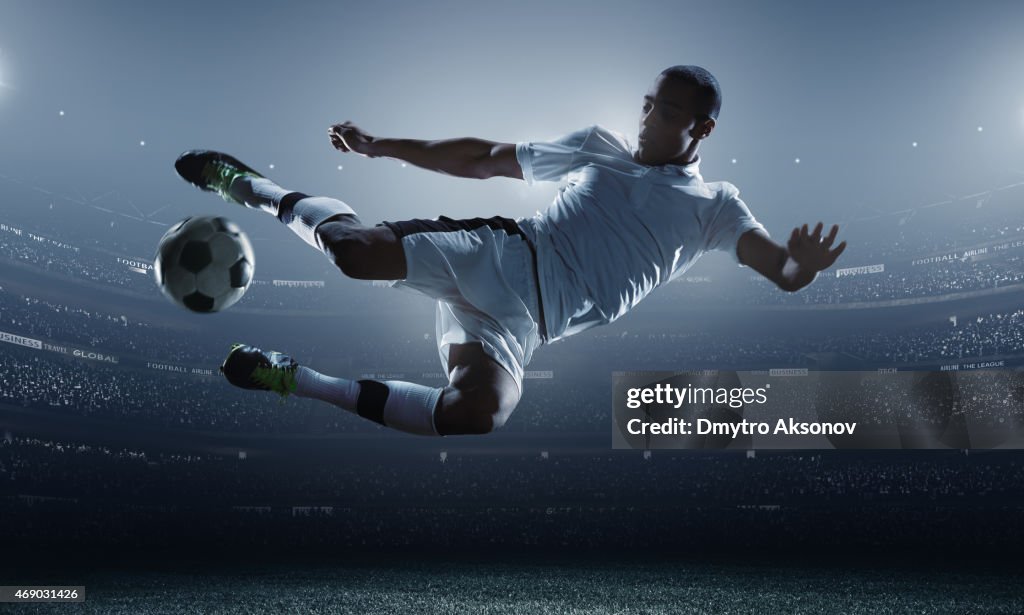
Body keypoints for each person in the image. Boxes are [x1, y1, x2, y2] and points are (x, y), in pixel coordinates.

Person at [173, 65, 846, 437]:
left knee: (476, 414)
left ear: (703, 128)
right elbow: (482, 160)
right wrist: (380, 145)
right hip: (501, 257)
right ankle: (249, 185)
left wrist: (802, 267)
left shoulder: (717, 207)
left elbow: (779, 269)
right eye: (648, 103)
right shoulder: (599, 149)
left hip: (524, 327)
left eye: (667, 113)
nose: (647, 117)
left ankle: (296, 379)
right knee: (352, 251)